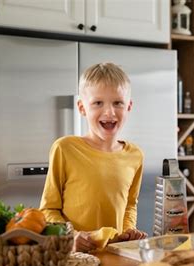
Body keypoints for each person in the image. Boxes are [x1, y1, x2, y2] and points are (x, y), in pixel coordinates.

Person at [40, 62, 147, 252]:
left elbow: (130, 204)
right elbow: (48, 209)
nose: (109, 112)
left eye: (118, 103)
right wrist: (69, 236)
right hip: (74, 255)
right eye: (98, 103)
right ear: (82, 108)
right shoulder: (64, 149)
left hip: (115, 254)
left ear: (128, 106)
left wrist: (128, 231)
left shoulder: (135, 155)